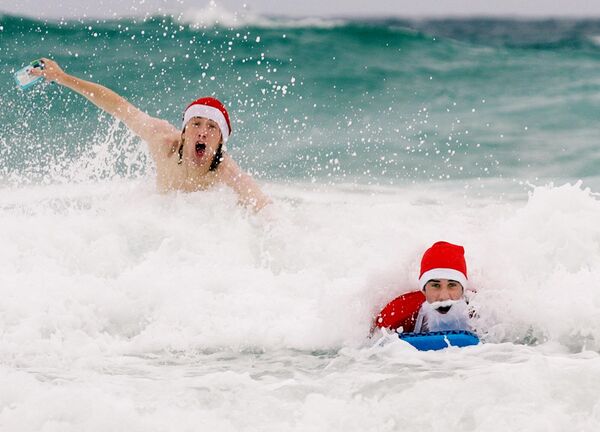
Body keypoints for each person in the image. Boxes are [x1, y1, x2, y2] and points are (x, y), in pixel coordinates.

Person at [31, 58, 271, 212]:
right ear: (185, 132)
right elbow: (117, 105)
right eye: (196, 124)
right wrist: (62, 78)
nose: (203, 133)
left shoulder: (225, 171)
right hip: (157, 224)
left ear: (221, 140)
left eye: (212, 128)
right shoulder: (163, 140)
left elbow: (263, 206)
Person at [375, 241, 473, 333]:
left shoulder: (479, 312)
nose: (444, 297)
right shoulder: (400, 315)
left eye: (452, 285)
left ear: (462, 290)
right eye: (435, 285)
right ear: (424, 290)